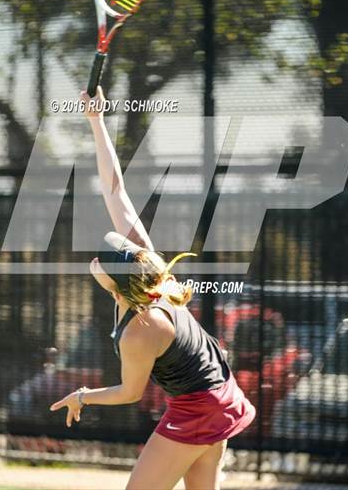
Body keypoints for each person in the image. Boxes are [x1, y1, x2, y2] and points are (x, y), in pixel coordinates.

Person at [50, 87, 256, 490]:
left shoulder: (141, 327)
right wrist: (96, 120)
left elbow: (130, 392)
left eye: (108, 255)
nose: (105, 248)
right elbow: (116, 191)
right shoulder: (146, 267)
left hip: (200, 406)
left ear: (115, 281)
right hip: (217, 394)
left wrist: (83, 395)